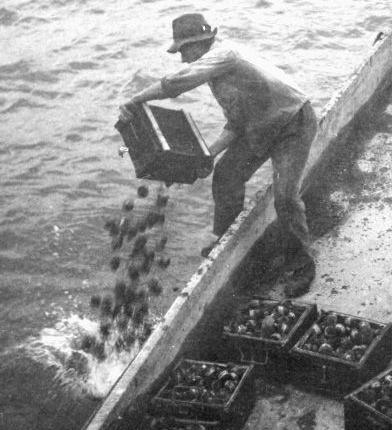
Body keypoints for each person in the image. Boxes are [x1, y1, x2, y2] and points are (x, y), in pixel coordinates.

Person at [118, 13, 318, 297]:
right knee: (226, 176)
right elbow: (237, 125)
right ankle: (227, 243)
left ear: (200, 42)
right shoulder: (218, 76)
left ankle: (302, 265)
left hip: (292, 125)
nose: (183, 58)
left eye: (184, 50)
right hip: (260, 130)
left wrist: (136, 99)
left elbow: (178, 82)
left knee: (285, 196)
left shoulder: (224, 54)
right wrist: (207, 156)